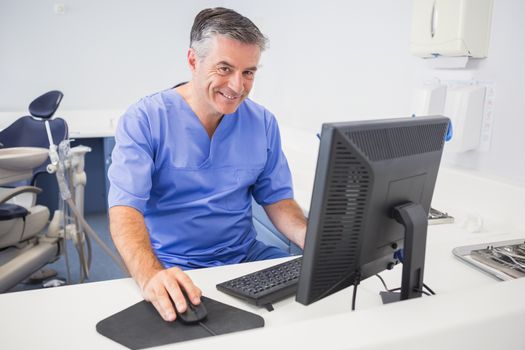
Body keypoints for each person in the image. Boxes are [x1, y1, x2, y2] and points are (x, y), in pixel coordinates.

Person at [107, 7, 307, 322]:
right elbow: (124, 210)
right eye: (224, 68)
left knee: (311, 306)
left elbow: (277, 198)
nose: (237, 86)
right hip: (173, 264)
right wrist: (150, 275)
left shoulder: (262, 122)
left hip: (245, 256)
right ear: (193, 61)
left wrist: (310, 237)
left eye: (248, 72)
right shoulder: (146, 119)